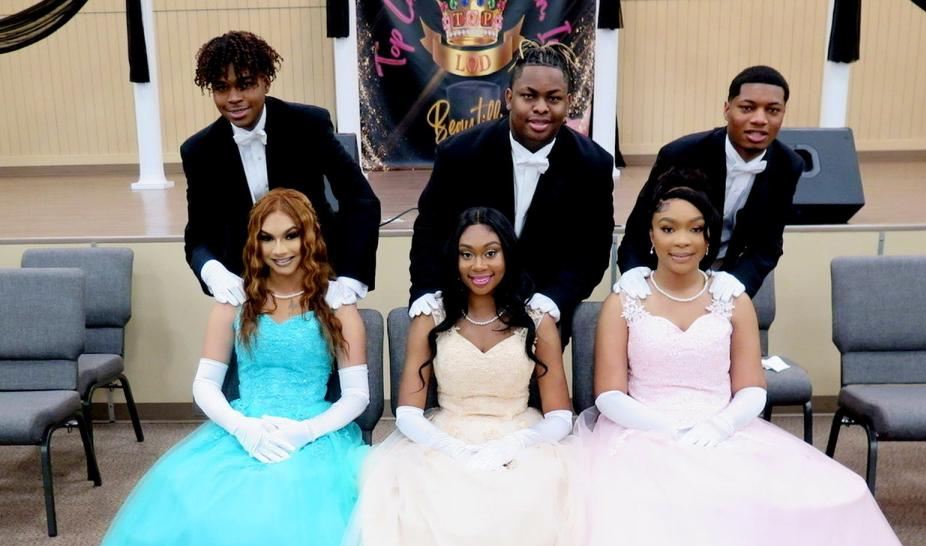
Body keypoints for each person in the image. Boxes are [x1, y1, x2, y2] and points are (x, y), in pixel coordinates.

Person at [576, 173, 926, 546]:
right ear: (651, 234)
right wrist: (667, 429)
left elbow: (751, 386)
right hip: (641, 428)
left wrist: (719, 425)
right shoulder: (626, 300)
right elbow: (609, 392)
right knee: (643, 531)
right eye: (668, 228)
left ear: (710, 238)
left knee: (825, 502)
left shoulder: (733, 299)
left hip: (723, 425)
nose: (681, 240)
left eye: (694, 229)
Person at [46, 189, 370, 546]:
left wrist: (303, 432)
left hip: (315, 435)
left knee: (284, 528)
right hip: (241, 427)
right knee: (196, 520)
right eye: (268, 237)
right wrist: (243, 428)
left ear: (309, 237)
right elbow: (204, 386)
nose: (280, 248)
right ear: (254, 243)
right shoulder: (235, 302)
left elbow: (357, 396)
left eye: (291, 235)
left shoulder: (337, 303)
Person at [304, 207, 595, 546]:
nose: (478, 264)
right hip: (443, 436)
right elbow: (409, 410)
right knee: (413, 520)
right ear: (453, 259)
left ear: (507, 254)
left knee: (535, 521)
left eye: (490, 252)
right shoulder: (431, 315)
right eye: (466, 254)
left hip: (518, 435)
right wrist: (453, 448)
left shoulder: (538, 316)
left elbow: (560, 414)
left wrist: (513, 444)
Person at [408, 40, 615, 345]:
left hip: (543, 309)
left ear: (568, 102)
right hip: (465, 303)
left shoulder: (593, 164)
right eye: (529, 96)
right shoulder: (460, 154)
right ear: (509, 97)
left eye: (553, 98)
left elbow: (592, 249)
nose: (541, 107)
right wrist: (426, 291)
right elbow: (430, 231)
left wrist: (555, 298)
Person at [182, 30, 380, 310]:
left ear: (266, 80)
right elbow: (198, 236)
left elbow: (361, 200)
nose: (233, 97)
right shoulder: (199, 151)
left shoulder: (309, 124)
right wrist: (213, 272)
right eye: (222, 88)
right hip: (246, 288)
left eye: (245, 84)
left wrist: (349, 278)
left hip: (319, 278)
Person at [617, 65, 804, 302]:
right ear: (727, 109)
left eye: (772, 110)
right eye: (747, 108)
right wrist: (636, 274)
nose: (759, 119)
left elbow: (768, 245)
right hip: (665, 275)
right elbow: (639, 229)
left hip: (727, 278)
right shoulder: (681, 153)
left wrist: (737, 282)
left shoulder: (788, 165)